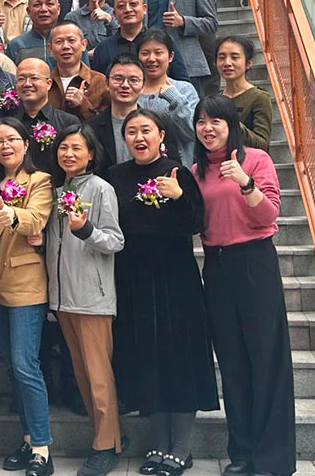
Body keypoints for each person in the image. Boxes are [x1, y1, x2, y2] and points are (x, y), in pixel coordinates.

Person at [108, 110, 217, 476]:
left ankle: (181, 447)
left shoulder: (177, 172)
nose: (139, 138)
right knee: (146, 359)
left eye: (146, 131)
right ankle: (157, 442)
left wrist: (180, 196)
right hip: (133, 279)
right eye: (132, 132)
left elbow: (197, 224)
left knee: (179, 360)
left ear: (161, 136)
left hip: (175, 280)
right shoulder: (116, 176)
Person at [192, 95, 295, 476]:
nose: (208, 128)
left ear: (231, 125)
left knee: (266, 360)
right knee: (232, 363)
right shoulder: (197, 171)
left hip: (254, 262)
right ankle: (242, 452)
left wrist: (245, 183)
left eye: (215, 121)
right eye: (201, 122)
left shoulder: (256, 160)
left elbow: (269, 213)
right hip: (217, 267)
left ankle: (272, 458)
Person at [46, 124, 124, 476]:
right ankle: (107, 438)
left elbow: (115, 241)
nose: (69, 154)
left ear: (91, 154)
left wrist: (86, 230)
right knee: (82, 376)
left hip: (93, 297)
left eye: (77, 148)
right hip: (63, 299)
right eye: (64, 147)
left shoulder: (101, 189)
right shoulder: (56, 191)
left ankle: (105, 446)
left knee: (98, 378)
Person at [0, 118, 55, 476]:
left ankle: (43, 448)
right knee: (13, 368)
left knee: (26, 365)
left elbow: (37, 219)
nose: (5, 146)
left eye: (12, 139)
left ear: (26, 144)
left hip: (26, 282)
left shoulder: (39, 180)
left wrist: (13, 213)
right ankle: (28, 440)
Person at [89, 0, 188, 82]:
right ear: (114, 14)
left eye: (133, 4)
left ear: (144, 9)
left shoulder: (162, 41)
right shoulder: (103, 48)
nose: (128, 10)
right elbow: (97, 87)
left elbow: (182, 81)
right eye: (121, 6)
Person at [135, 29, 199, 167]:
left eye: (158, 53)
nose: (151, 59)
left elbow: (193, 132)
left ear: (170, 56)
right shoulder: (131, 92)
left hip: (178, 167)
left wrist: (175, 99)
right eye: (145, 53)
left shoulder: (184, 89)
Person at [12, 58, 79, 173]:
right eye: (21, 79)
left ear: (49, 84)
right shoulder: (10, 125)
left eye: (34, 78)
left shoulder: (67, 122)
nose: (27, 84)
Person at [86, 55, 148, 175]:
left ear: (143, 86)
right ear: (107, 83)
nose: (125, 85)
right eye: (118, 79)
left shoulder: (155, 126)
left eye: (133, 80)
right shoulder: (91, 128)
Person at [218, 35, 272, 151]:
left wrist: (233, 123)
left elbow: (262, 144)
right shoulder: (216, 99)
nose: (227, 63)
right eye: (222, 57)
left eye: (234, 57)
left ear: (248, 63)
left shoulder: (259, 97)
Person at [47, 21, 108, 121]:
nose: (65, 46)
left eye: (71, 40)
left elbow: (107, 123)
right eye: (59, 42)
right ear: (50, 48)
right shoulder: (45, 84)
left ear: (83, 44)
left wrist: (83, 104)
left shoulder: (100, 82)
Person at [6, 0, 62, 66]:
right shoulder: (16, 45)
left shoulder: (69, 43)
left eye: (49, 4)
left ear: (58, 9)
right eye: (37, 5)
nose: (43, 9)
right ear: (28, 11)